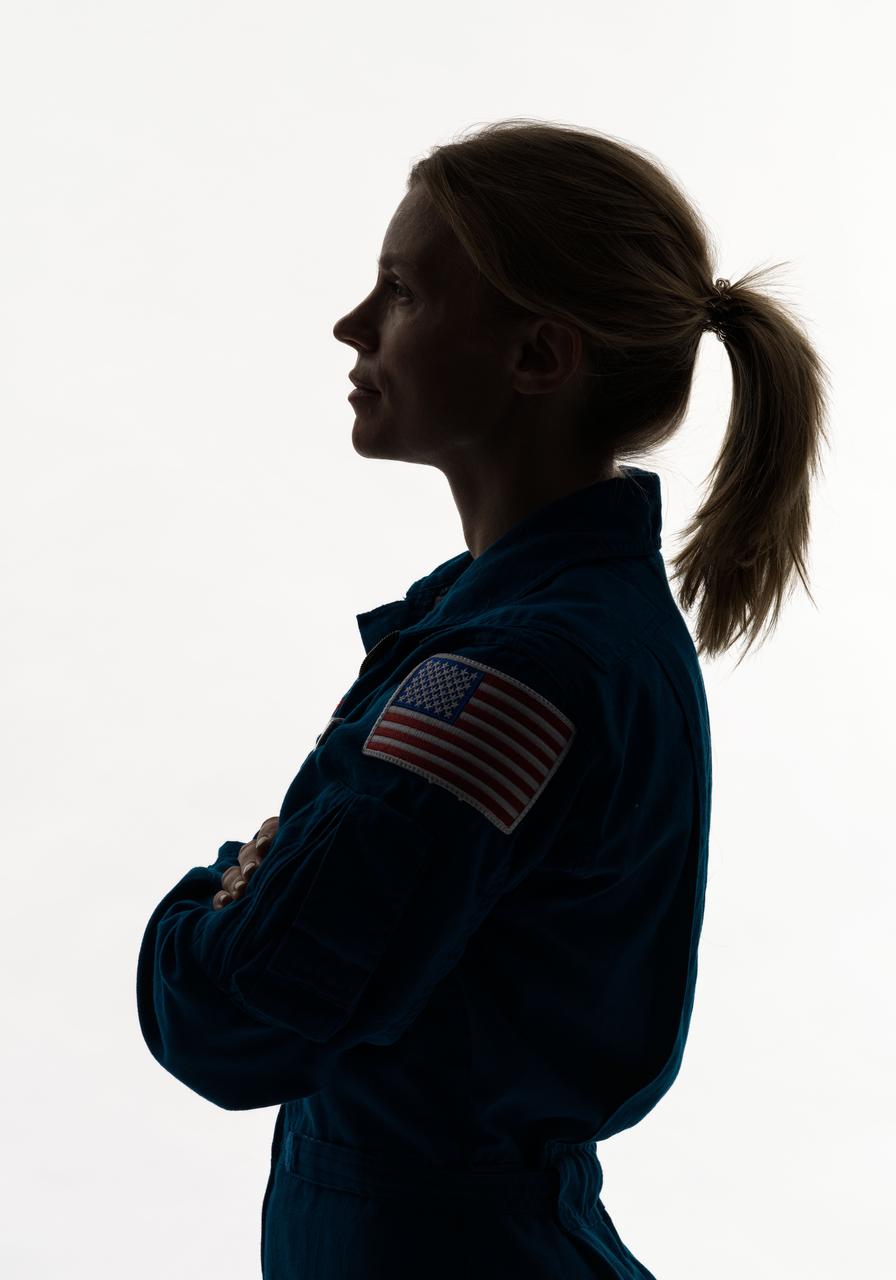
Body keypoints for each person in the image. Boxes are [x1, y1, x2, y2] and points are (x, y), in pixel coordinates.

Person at [136, 118, 830, 1278]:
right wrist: (259, 884)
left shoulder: (507, 670)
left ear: (538, 357)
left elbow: (239, 1017)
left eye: (400, 292)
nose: (351, 325)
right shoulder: (506, 624)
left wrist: (207, 896)